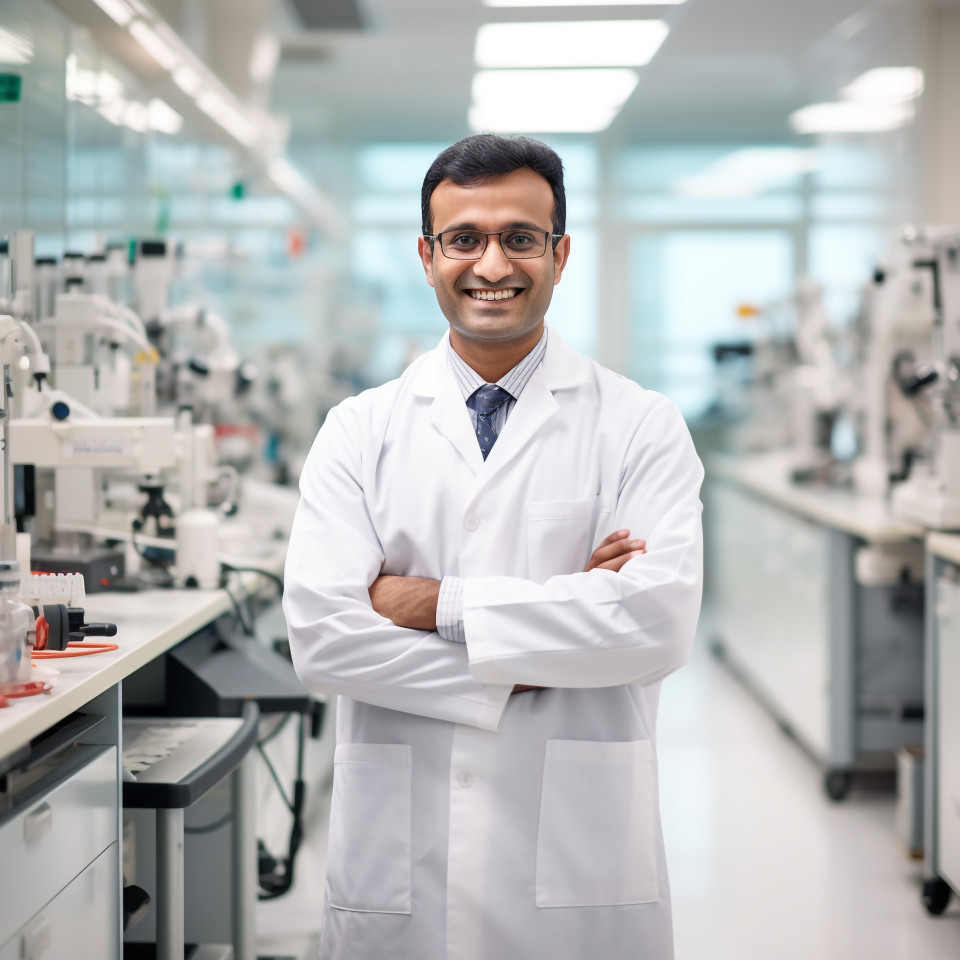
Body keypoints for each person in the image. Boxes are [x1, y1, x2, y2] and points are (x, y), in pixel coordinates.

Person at [283, 134, 704, 960]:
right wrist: (553, 633)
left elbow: (654, 624)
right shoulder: (359, 430)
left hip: (577, 864)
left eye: (521, 237)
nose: (492, 263)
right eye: (464, 239)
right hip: (399, 859)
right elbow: (324, 641)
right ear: (427, 255)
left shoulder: (638, 425)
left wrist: (433, 603)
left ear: (561, 252)